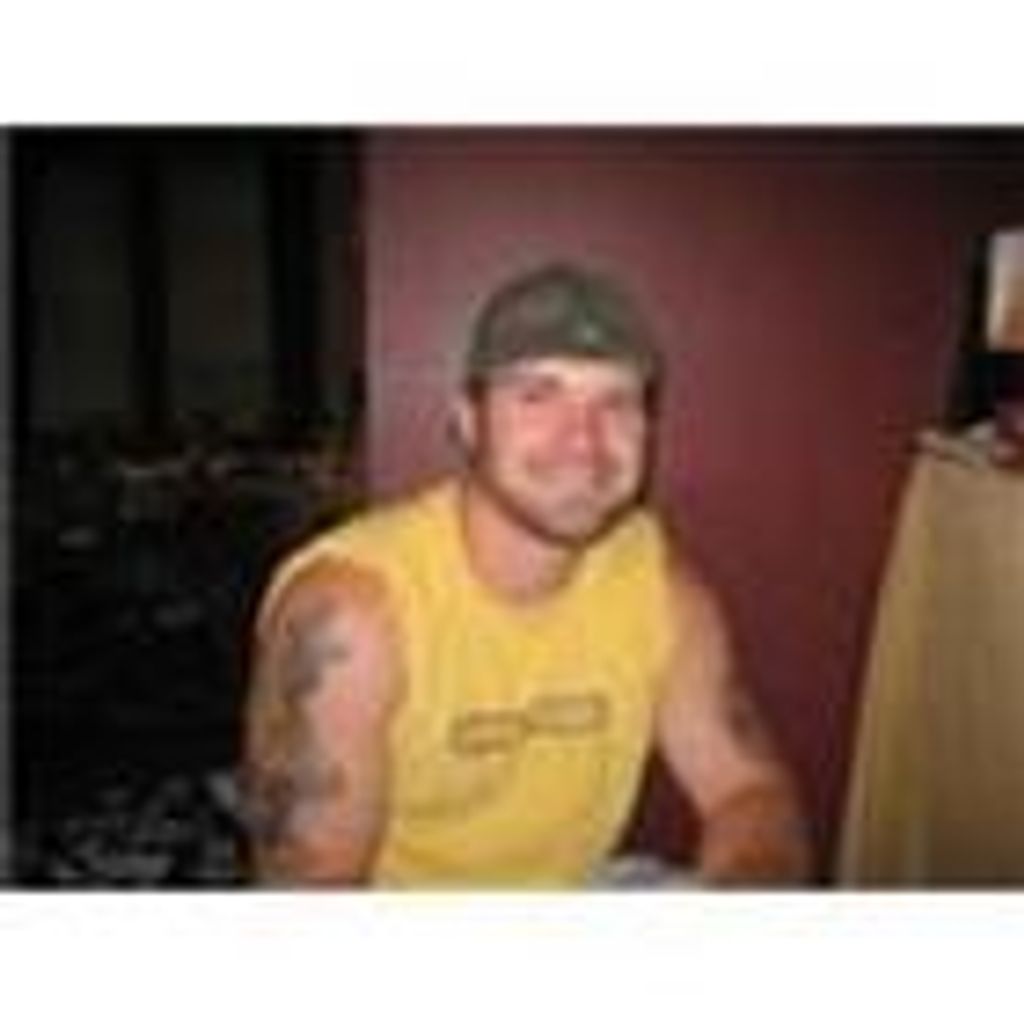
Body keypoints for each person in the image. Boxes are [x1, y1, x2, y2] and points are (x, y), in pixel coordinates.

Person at [242, 263, 811, 888]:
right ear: (467, 419)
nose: (584, 441)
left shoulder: (656, 586)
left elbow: (749, 793)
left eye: (617, 402)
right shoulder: (348, 615)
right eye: (538, 395)